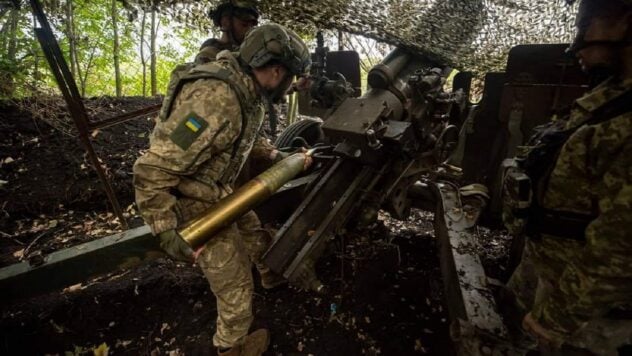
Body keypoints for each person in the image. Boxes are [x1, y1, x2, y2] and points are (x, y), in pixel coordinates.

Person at [133, 23, 312, 356]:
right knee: (235, 285)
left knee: (254, 233)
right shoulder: (216, 99)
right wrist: (167, 231)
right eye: (290, 79)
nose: (290, 87)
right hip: (191, 200)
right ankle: (231, 347)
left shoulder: (246, 89)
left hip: (217, 188)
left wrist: (275, 154)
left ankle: (271, 276)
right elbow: (152, 168)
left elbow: (237, 138)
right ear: (275, 71)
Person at [503, 0, 632, 354]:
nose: (576, 43)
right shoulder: (610, 97)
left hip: (589, 315)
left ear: (625, 22)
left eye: (587, 25)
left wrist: (556, 318)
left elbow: (619, 252)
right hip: (549, 271)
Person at [195, 0, 259, 64]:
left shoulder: (248, 51)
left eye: (252, 26)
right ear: (226, 22)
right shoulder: (209, 51)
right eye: (244, 25)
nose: (249, 30)